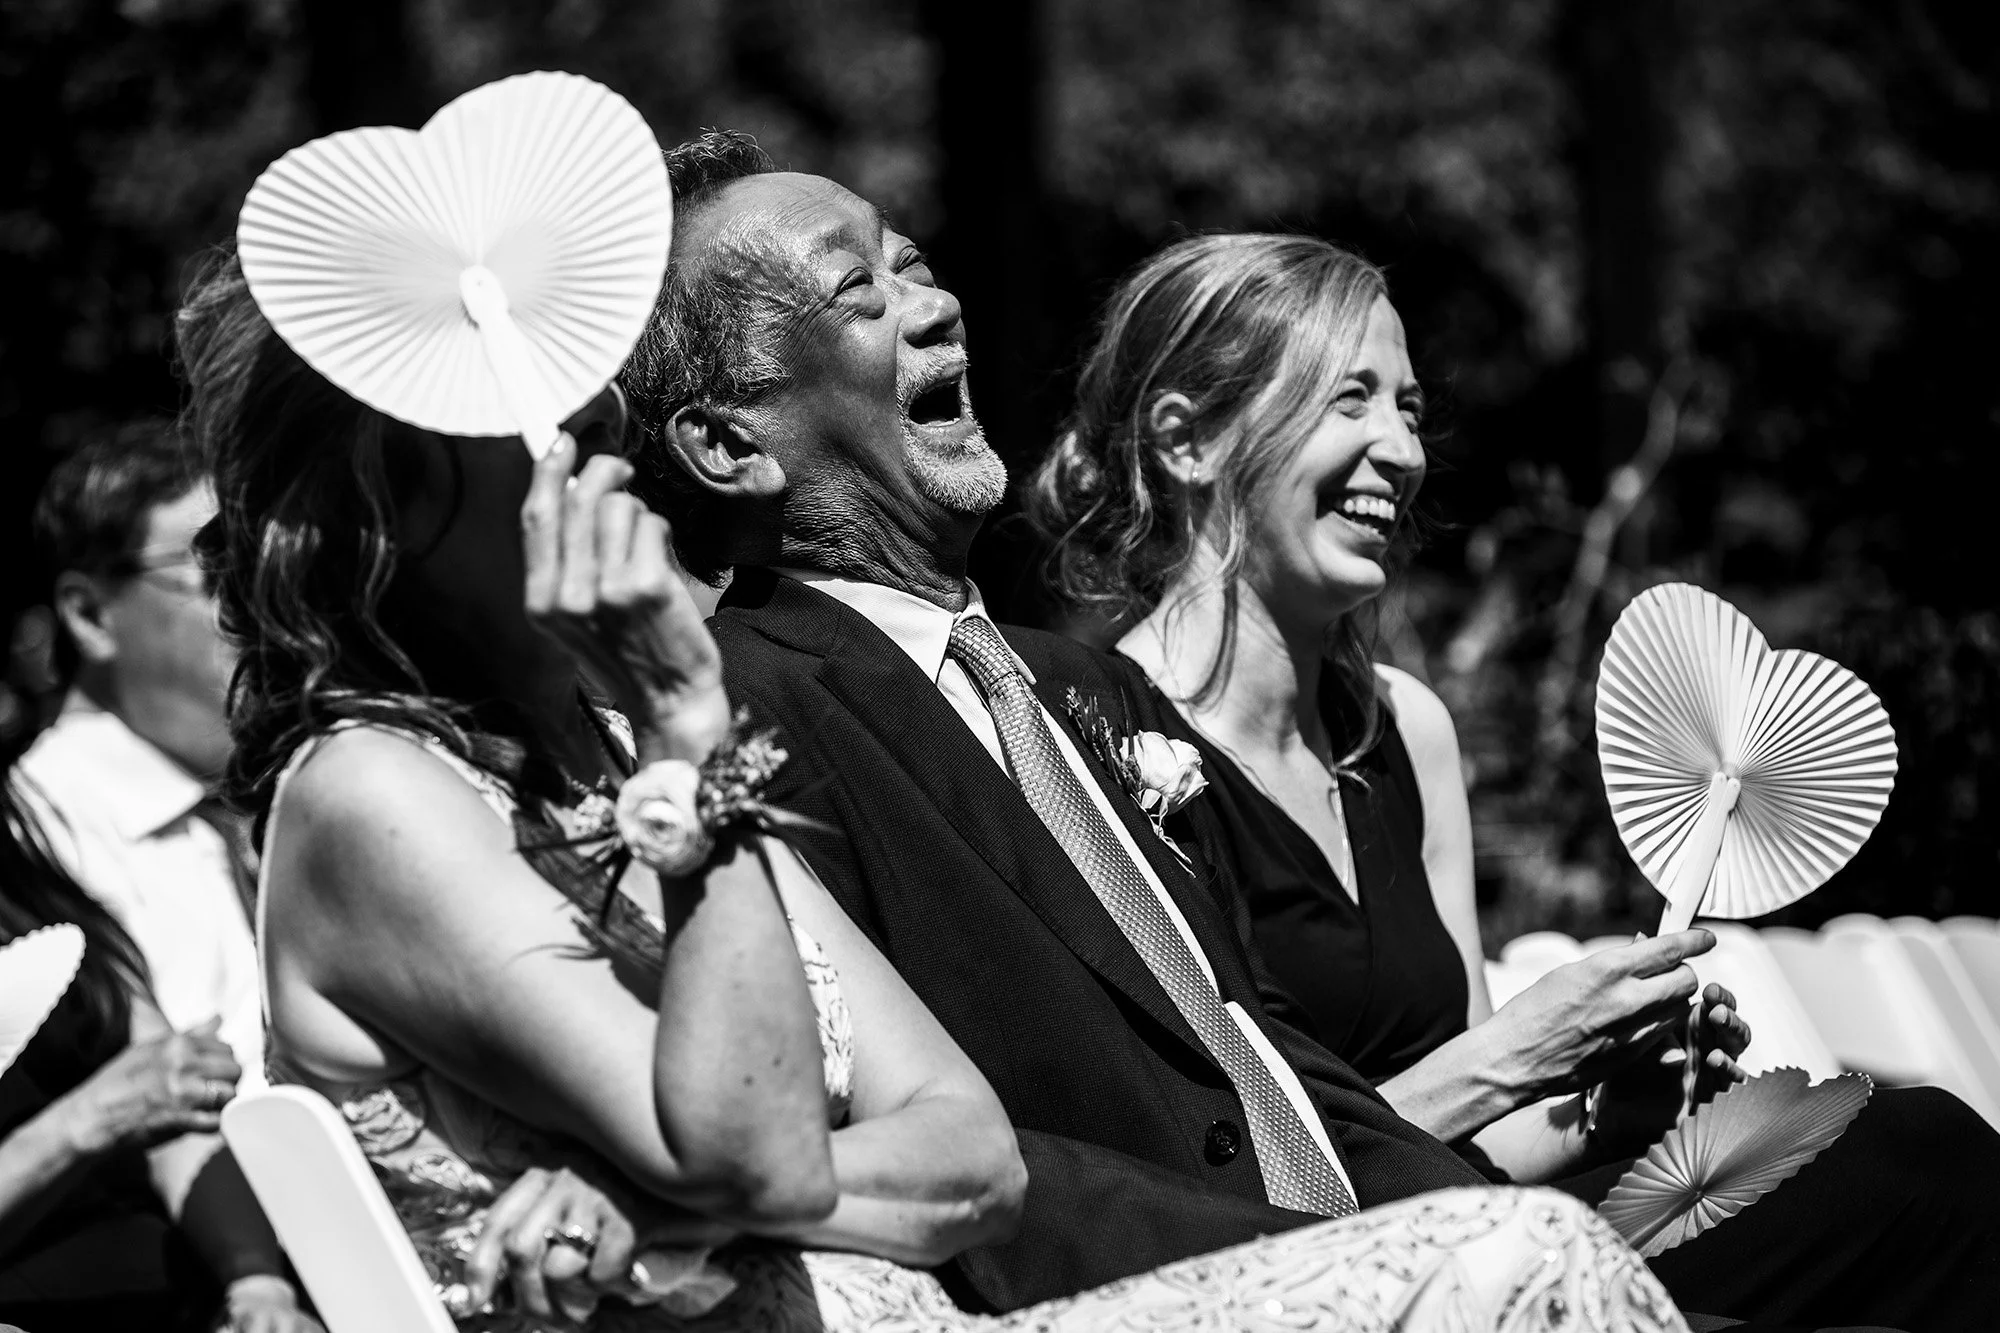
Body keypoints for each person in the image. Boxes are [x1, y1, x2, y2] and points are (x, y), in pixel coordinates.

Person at [178, 230, 1684, 1333]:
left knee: (1557, 1245)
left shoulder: (616, 775)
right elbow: (750, 1141)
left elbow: (963, 1152)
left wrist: (664, 1199)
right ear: (385, 507)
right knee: (1514, 1266)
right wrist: (693, 731)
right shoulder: (378, 796)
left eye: (583, 411)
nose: (591, 454)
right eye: (520, 432)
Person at [619, 129, 1691, 1330]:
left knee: (1894, 1161)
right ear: (727, 444)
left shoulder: (1079, 688)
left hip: (1392, 1230)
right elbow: (991, 1142)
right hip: (1170, 1287)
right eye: (858, 289)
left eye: (914, 260)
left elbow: (1267, 1065)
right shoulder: (737, 721)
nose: (936, 304)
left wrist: (1521, 1166)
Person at [1026, 229, 2000, 1330]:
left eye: (1406, 405)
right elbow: (1208, 1180)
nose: (1400, 446)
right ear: (1185, 440)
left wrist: (1604, 1105)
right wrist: (1515, 1051)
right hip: (1330, 1281)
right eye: (1348, 400)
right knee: (1920, 1179)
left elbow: (1484, 1144)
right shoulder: (1090, 746)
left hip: (1510, 1232)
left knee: (1915, 1138)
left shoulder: (1403, 729)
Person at [1, 765, 315, 1332]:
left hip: (187, 1295)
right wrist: (83, 1124)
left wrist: (256, 1287)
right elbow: (122, 1102)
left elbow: (168, 1105)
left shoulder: (24, 894)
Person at [18, 424, 265, 1098]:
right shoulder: (31, 845)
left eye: (262, 564)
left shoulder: (290, 770)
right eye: (214, 568)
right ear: (91, 613)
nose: (255, 601)